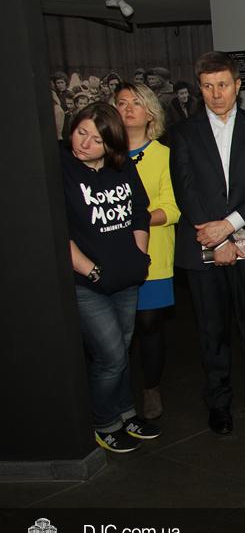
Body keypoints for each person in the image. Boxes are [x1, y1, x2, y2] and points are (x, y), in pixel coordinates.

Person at [170, 51, 245, 435]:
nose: (216, 94)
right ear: (199, 89)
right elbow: (185, 190)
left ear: (237, 85)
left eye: (222, 85)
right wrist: (215, 238)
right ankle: (218, 401)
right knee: (211, 327)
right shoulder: (183, 133)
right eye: (207, 86)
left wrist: (229, 227)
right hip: (202, 241)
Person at [62, 102, 160, 452]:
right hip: (87, 282)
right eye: (81, 133)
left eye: (96, 140)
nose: (84, 143)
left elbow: (139, 213)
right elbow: (58, 229)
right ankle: (103, 422)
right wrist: (90, 269)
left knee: (122, 349)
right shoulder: (61, 167)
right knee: (111, 356)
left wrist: (139, 256)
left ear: (111, 145)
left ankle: (125, 413)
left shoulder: (122, 166)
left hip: (126, 278)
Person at [115, 82, 179, 420]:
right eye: (121, 103)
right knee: (115, 332)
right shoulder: (102, 154)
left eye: (136, 103)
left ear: (150, 112)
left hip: (154, 253)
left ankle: (151, 388)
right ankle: (118, 393)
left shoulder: (164, 156)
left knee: (149, 325)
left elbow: (172, 208)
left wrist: (134, 219)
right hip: (111, 257)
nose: (128, 109)